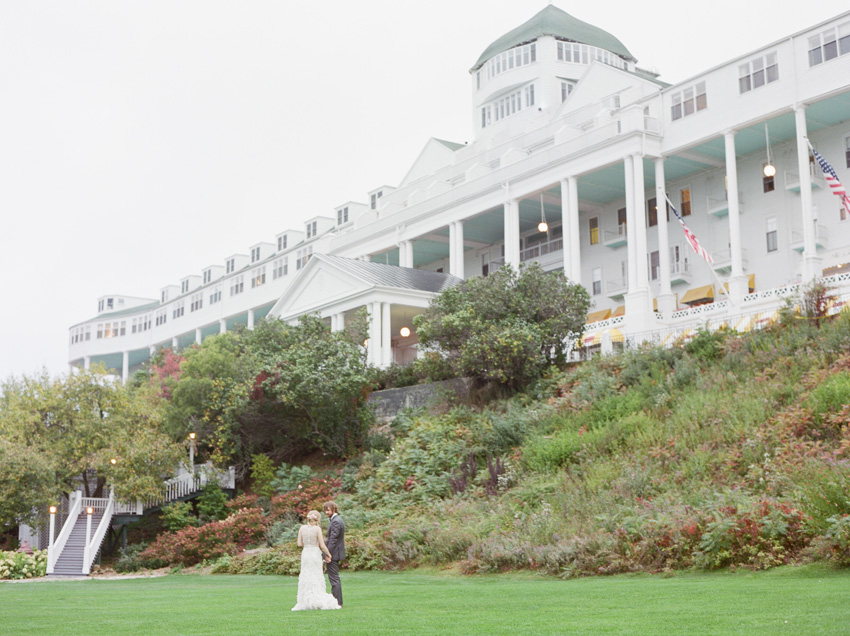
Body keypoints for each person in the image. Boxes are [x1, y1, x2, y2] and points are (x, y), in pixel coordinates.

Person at [291, 510, 341, 611]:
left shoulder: (302, 528)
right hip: (314, 553)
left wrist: (306, 544)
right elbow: (322, 545)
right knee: (316, 575)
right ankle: (317, 598)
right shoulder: (317, 529)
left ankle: (305, 601)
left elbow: (299, 544)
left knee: (306, 575)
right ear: (317, 519)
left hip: (306, 554)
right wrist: (328, 554)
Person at [323, 501, 345, 608]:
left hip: (333, 553)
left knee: (334, 579)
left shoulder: (336, 521)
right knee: (334, 578)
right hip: (335, 552)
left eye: (328, 510)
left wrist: (328, 554)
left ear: (334, 509)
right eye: (325, 510)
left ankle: (337, 602)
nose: (326, 512)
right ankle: (337, 601)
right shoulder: (336, 520)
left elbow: (333, 539)